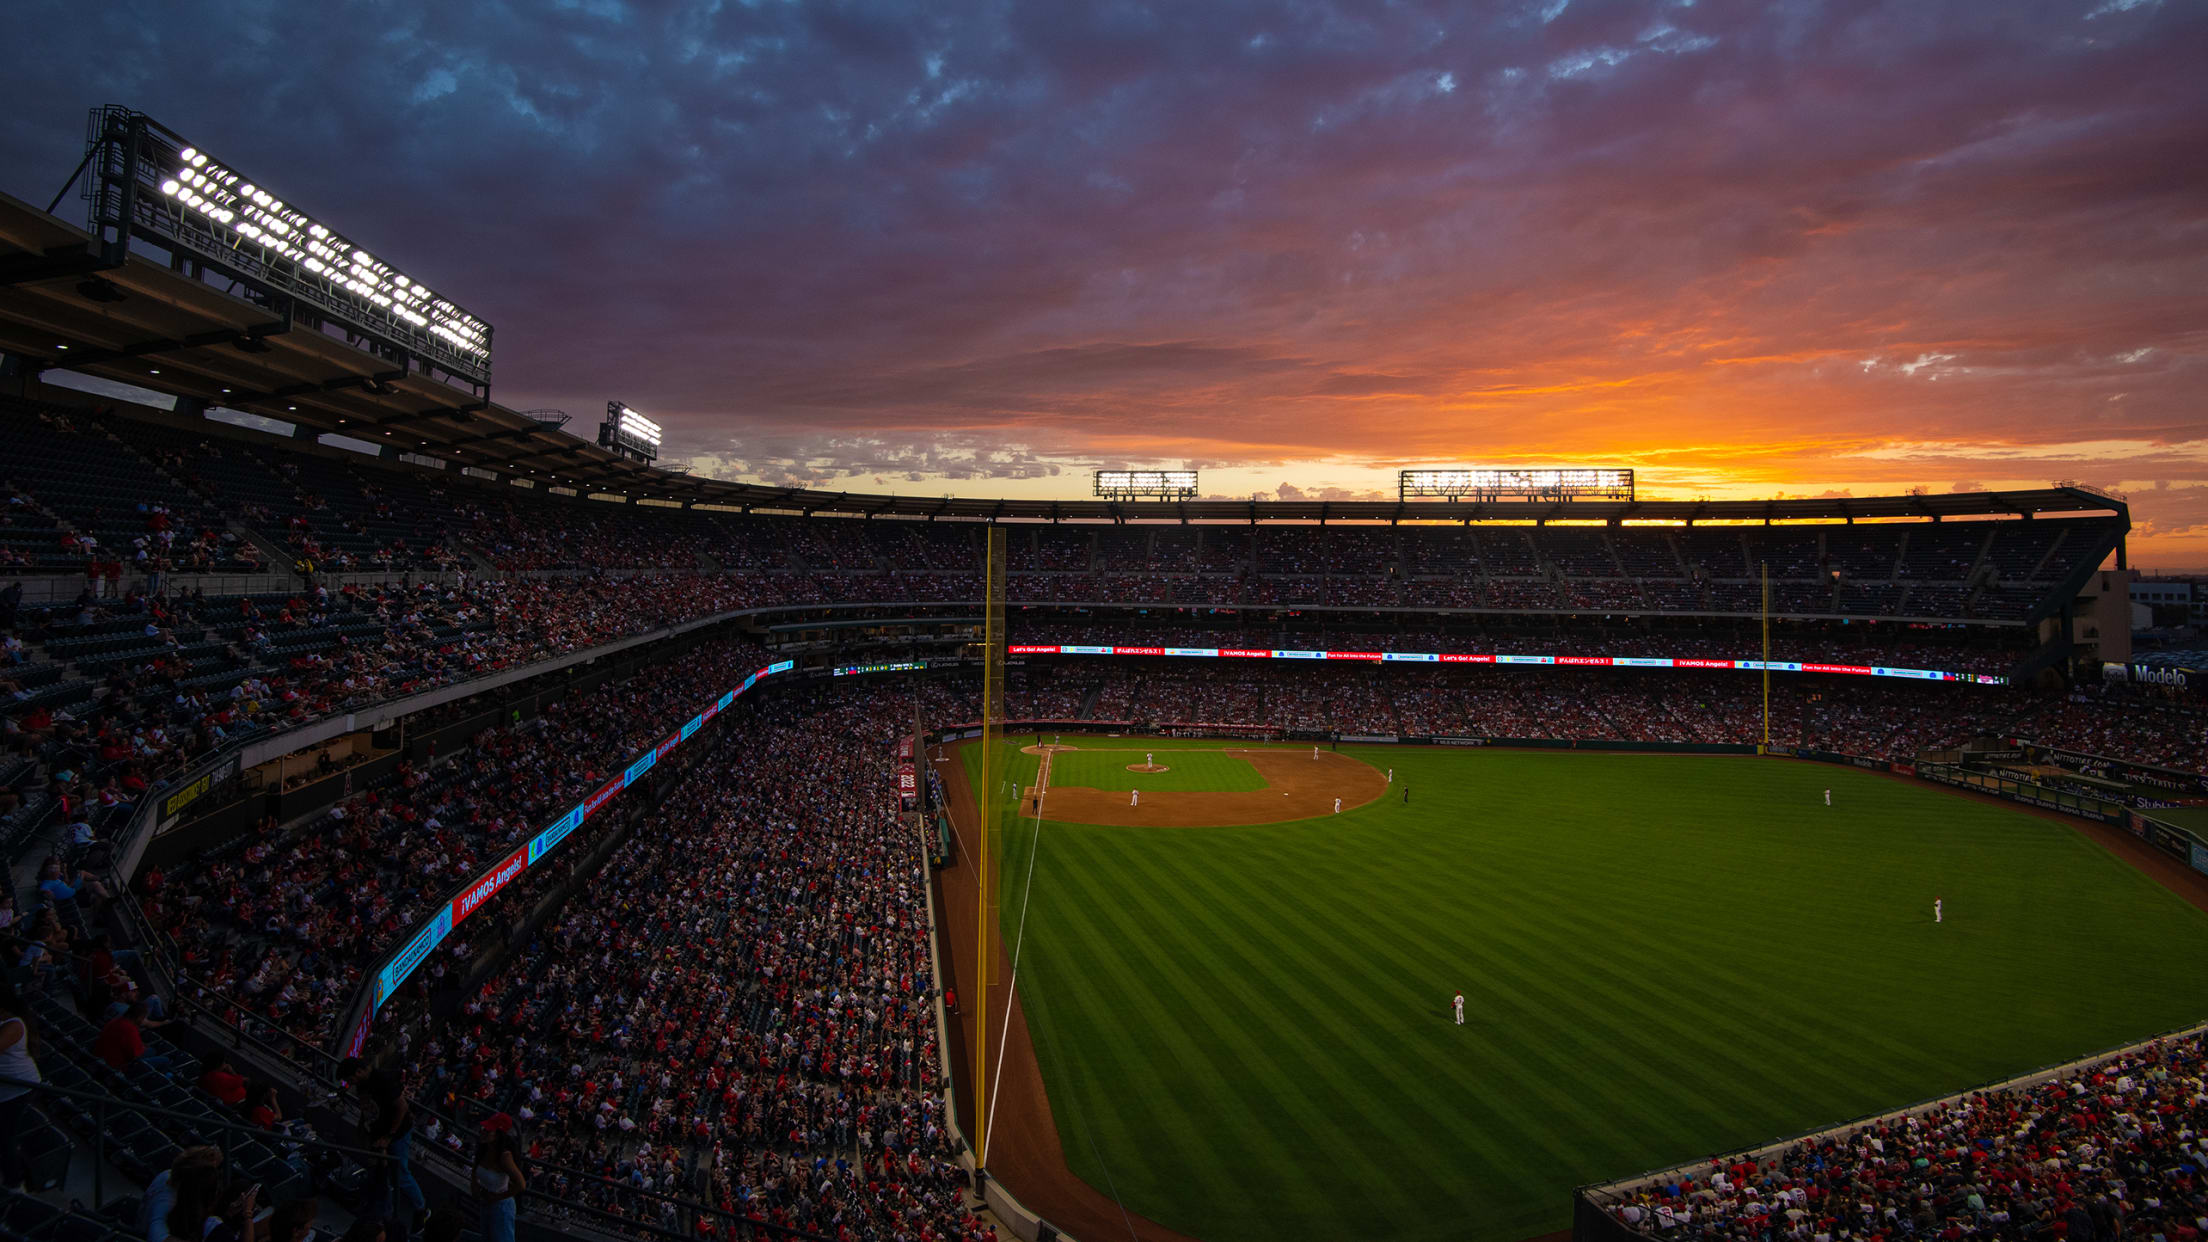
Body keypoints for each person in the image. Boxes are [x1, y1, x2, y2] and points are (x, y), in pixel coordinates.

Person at [340, 1058, 425, 1230]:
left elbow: (402, 1107)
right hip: (378, 1134)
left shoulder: (382, 1080)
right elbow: (368, 1109)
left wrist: (389, 1136)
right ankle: (384, 1214)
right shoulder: (363, 1085)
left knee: (400, 1172)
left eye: (350, 1079)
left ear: (358, 1072)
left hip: (396, 1133)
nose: (351, 1084)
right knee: (380, 1174)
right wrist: (363, 1128)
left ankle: (421, 1209)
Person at [1, 972, 40, 1191]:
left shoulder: (14, 1024)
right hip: (8, 1088)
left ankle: (16, 1185)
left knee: (5, 1136)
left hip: (20, 1087)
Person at [472, 1113, 527, 1242]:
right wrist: (474, 1189)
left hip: (501, 1207)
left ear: (498, 1134)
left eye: (488, 1130)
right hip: (485, 1202)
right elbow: (475, 1171)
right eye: (484, 1129)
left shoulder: (505, 1157)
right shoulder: (483, 1148)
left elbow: (521, 1184)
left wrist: (497, 1197)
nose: (483, 1132)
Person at [95, 1001, 171, 1074]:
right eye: (144, 1017)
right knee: (165, 1060)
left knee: (152, 1050)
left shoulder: (115, 1021)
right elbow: (135, 1056)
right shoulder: (130, 1029)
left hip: (102, 1057)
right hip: (119, 1067)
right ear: (139, 1017)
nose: (144, 1020)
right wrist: (141, 1047)